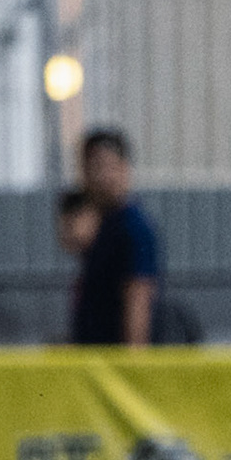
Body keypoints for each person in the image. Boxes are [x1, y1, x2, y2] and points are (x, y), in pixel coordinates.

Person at [71, 129, 160, 347]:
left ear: (124, 168)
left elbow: (138, 295)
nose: (97, 176)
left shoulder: (133, 228)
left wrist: (133, 365)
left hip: (116, 362)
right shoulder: (101, 222)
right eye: (89, 167)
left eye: (105, 166)